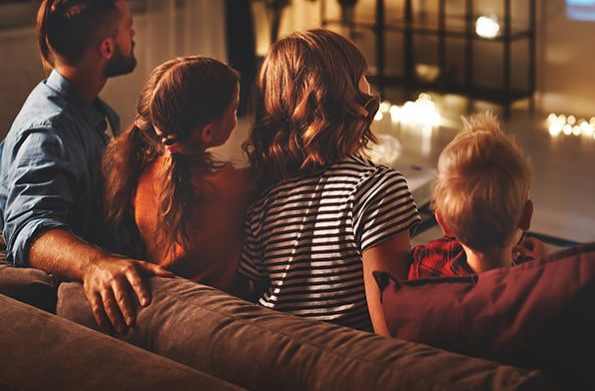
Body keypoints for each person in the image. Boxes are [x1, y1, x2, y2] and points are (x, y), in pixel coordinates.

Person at [0, 0, 172, 333]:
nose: (134, 34)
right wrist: (95, 263)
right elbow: (30, 229)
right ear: (107, 48)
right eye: (129, 26)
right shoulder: (47, 129)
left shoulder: (88, 109)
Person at [239, 29, 420, 334]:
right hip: (347, 361)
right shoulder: (377, 190)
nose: (368, 84)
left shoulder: (262, 199)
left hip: (275, 351)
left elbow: (252, 292)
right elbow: (391, 327)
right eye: (362, 75)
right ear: (344, 92)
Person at [102, 56, 251, 294]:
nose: (236, 115)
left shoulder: (140, 175)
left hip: (166, 299)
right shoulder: (237, 185)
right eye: (234, 109)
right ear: (208, 132)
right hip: (217, 305)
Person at [408, 112, 547, 280]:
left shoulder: (426, 265)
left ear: (444, 223)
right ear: (526, 215)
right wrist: (541, 264)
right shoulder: (533, 283)